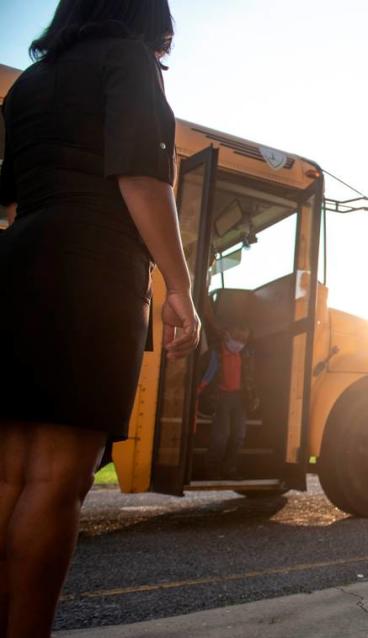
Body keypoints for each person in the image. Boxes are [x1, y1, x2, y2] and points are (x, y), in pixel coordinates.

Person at [0, 1, 199, 635]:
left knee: (8, 476)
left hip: (17, 261)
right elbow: (141, 176)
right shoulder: (128, 61)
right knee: (57, 482)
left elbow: (11, 191)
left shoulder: (32, 82)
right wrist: (180, 285)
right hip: (90, 270)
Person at [200, 324, 258, 480]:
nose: (240, 343)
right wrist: (199, 393)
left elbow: (250, 378)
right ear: (226, 334)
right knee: (221, 436)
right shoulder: (215, 353)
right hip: (221, 398)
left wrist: (253, 396)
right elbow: (207, 375)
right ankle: (211, 469)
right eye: (238, 338)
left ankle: (229, 469)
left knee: (239, 435)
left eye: (244, 339)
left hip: (240, 399)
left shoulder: (246, 355)